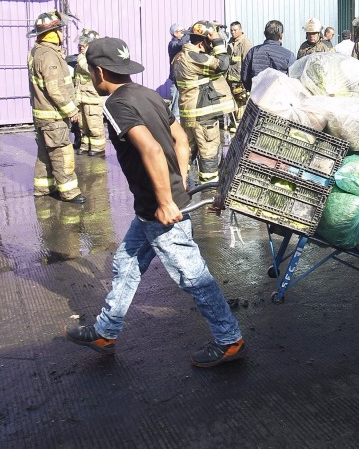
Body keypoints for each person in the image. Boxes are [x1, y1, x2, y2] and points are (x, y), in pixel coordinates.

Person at [63, 37, 246, 367]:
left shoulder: (116, 104)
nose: (91, 77)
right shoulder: (149, 94)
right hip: (152, 205)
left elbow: (149, 149)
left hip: (159, 208)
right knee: (126, 263)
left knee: (192, 275)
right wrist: (177, 180)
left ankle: (229, 339)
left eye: (91, 71)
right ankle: (106, 330)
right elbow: (179, 139)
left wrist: (165, 198)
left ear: (99, 71)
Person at [27, 10, 85, 204]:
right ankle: (69, 192)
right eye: (60, 30)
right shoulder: (49, 56)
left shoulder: (37, 51)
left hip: (42, 115)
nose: (62, 33)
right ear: (53, 33)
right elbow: (55, 89)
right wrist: (71, 109)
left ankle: (43, 187)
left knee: (45, 153)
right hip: (54, 116)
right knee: (62, 153)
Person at [172, 21, 236, 184]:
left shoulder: (181, 55)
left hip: (190, 114)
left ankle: (180, 186)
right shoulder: (195, 57)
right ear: (202, 42)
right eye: (209, 44)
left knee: (187, 152)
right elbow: (223, 64)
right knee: (209, 152)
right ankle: (208, 193)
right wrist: (217, 42)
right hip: (203, 115)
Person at [73, 28, 105, 156]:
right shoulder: (82, 56)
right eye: (80, 43)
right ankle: (85, 145)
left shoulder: (94, 58)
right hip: (81, 97)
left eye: (84, 44)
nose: (81, 46)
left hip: (92, 98)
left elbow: (89, 69)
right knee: (83, 124)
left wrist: (81, 59)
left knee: (94, 124)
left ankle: (98, 148)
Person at [240, 20, 295, 91]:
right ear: (281, 36)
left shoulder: (253, 52)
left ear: (264, 34)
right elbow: (293, 80)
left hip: (257, 97)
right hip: (280, 98)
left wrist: (253, 91)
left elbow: (244, 77)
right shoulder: (289, 55)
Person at [226, 21, 253, 123]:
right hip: (230, 80)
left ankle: (240, 125)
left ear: (240, 30)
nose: (233, 32)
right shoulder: (230, 42)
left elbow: (247, 63)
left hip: (240, 81)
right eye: (231, 30)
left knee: (241, 104)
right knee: (231, 104)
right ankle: (232, 124)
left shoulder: (245, 43)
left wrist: (245, 80)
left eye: (235, 30)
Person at [167, 23, 186, 120]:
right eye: (182, 31)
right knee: (176, 102)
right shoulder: (173, 44)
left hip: (183, 76)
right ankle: (175, 122)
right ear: (175, 33)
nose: (184, 33)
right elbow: (178, 45)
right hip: (176, 78)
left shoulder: (182, 42)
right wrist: (187, 36)